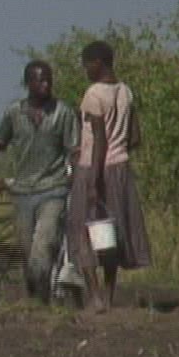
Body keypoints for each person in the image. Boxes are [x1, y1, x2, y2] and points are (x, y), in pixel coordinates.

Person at [66, 40, 152, 313]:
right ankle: (109, 295)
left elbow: (100, 139)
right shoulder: (126, 91)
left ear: (97, 63)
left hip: (94, 169)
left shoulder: (93, 94)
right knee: (110, 234)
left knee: (82, 231)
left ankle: (94, 296)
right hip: (120, 169)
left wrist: (93, 181)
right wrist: (117, 149)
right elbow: (134, 137)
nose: (85, 71)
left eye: (86, 65)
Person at [0, 60, 79, 304]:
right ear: (28, 83)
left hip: (53, 188)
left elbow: (74, 149)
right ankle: (36, 298)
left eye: (48, 80)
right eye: (40, 80)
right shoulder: (14, 113)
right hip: (22, 191)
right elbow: (0, 142)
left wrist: (76, 175)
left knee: (43, 245)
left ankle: (42, 301)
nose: (46, 85)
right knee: (26, 250)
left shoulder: (63, 113)